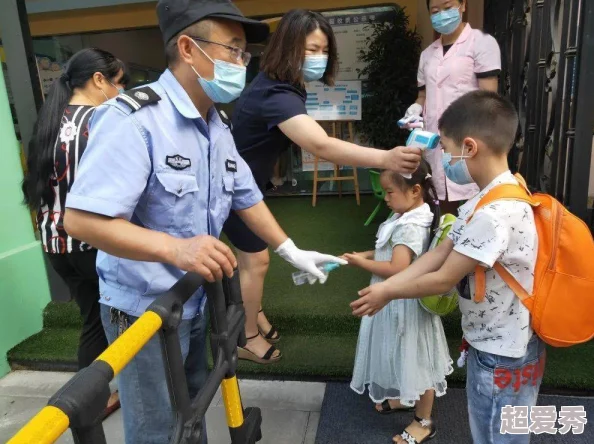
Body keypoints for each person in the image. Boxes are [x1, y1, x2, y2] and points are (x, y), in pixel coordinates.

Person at [63, 1, 346, 443]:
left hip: (192, 300)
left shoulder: (216, 122)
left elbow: (244, 193)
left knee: (192, 410)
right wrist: (177, 249)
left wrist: (290, 249)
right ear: (188, 48)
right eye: (232, 50)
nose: (241, 63)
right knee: (158, 428)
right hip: (143, 309)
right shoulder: (135, 120)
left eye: (242, 54)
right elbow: (80, 220)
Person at [222, 9, 423, 364]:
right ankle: (246, 336)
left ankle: (254, 313)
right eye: (310, 49)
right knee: (255, 260)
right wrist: (387, 159)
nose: (317, 58)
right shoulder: (278, 94)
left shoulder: (282, 83)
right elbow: (321, 145)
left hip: (245, 183)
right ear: (287, 47)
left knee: (250, 259)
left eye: (323, 50)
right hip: (234, 189)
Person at [351, 90, 543, 444]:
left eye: (444, 147)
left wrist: (388, 290)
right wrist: (386, 287)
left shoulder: (494, 214)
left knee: (497, 435)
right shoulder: (489, 197)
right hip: (492, 344)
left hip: (504, 353)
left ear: (469, 148)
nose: (442, 158)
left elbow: (442, 278)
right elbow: (436, 256)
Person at [22, 47, 128, 418]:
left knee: (91, 322)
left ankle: (91, 401)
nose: (122, 91)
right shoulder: (101, 120)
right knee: (121, 321)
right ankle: (106, 398)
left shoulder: (51, 121)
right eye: (119, 83)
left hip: (55, 242)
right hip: (91, 243)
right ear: (99, 80)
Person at [344, 160, 452, 444]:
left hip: (403, 301)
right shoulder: (407, 215)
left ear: (415, 190)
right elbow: (390, 250)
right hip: (396, 300)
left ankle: (424, 421)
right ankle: (406, 398)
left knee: (417, 357)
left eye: (390, 192)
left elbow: (398, 268)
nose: (386, 198)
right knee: (402, 351)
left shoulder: (411, 225)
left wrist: (361, 264)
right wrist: (368, 254)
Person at [404, 0, 501, 215]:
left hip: (470, 137)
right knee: (443, 198)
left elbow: (489, 98)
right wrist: (415, 109)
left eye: (447, 7)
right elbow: (423, 95)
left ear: (463, 5)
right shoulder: (427, 54)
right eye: (435, 10)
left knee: (476, 202)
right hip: (436, 139)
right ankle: (445, 243)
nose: (441, 15)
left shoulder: (481, 43)